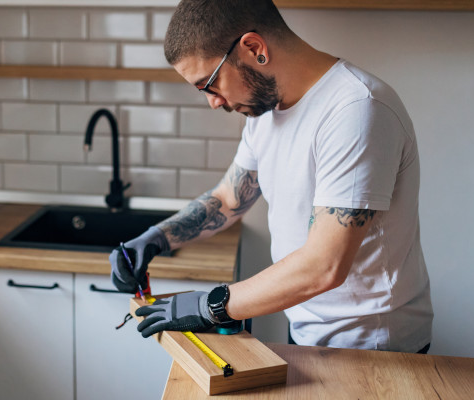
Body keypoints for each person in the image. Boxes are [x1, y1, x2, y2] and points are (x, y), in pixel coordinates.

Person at [110, 0, 433, 353]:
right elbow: (229, 199)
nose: (213, 102)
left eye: (210, 84)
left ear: (254, 48)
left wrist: (210, 305)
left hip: (372, 346)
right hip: (307, 329)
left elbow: (324, 266)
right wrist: (157, 238)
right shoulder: (263, 112)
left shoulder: (356, 110)